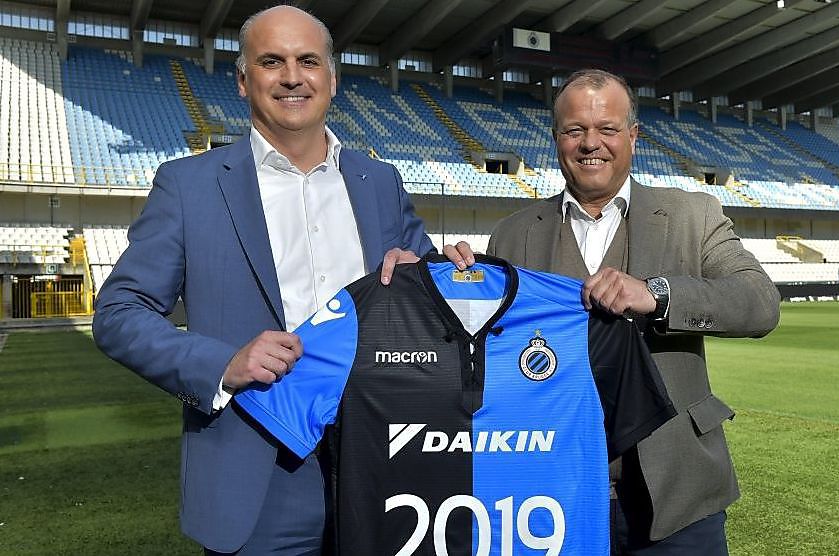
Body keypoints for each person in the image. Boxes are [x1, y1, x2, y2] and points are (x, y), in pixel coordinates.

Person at [93, 6, 445, 554]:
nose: (292, 77)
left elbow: (431, 302)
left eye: (308, 61)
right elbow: (119, 313)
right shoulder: (188, 185)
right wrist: (222, 364)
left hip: (385, 464)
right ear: (242, 80)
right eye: (271, 61)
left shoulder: (380, 182)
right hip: (256, 475)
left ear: (332, 78)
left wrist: (448, 272)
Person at [455, 68, 781, 554]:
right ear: (556, 138)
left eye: (607, 129)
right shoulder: (512, 234)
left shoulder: (693, 215)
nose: (591, 143)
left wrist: (659, 295)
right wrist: (457, 281)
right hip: (549, 496)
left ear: (633, 136)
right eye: (575, 130)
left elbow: (759, 302)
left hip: (678, 494)